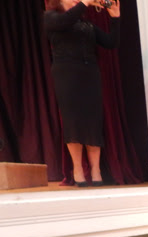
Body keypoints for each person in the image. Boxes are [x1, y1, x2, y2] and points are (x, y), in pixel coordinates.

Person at [44, 0, 120, 187]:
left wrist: (115, 18)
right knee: (73, 121)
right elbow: (66, 21)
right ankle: (78, 169)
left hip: (90, 74)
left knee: (93, 121)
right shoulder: (51, 17)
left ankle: (96, 170)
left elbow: (111, 42)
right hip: (66, 74)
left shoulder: (86, 24)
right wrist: (85, 3)